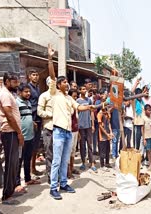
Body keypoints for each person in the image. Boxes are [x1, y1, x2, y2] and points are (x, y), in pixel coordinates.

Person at [48, 44, 95, 200]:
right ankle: (53, 187)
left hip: (68, 132)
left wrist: (90, 106)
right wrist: (49, 58)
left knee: (65, 159)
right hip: (59, 131)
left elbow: (79, 107)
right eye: (64, 82)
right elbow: (52, 76)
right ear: (59, 85)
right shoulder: (55, 94)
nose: (67, 84)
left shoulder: (69, 98)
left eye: (67, 82)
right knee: (56, 160)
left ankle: (63, 183)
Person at [0, 72, 25, 204]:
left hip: (13, 132)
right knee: (10, 164)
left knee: (14, 163)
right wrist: (19, 133)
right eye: (14, 82)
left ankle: (11, 190)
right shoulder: (5, 94)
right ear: (7, 81)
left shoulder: (9, 94)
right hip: (10, 133)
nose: (17, 84)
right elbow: (9, 116)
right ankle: (6, 196)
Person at [16, 83, 41, 187]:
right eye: (26, 92)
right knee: (19, 160)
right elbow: (16, 119)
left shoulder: (28, 103)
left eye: (29, 91)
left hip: (30, 135)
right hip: (22, 137)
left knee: (27, 158)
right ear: (20, 92)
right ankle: (17, 183)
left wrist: (32, 122)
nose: (28, 93)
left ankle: (28, 179)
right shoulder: (17, 103)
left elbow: (27, 116)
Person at [76, 86, 97, 173]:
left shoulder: (89, 100)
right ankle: (83, 162)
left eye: (85, 89)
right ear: (79, 90)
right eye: (83, 89)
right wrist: (77, 127)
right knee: (82, 145)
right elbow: (76, 114)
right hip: (81, 126)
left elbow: (91, 112)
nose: (84, 90)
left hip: (88, 126)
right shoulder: (77, 101)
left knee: (90, 145)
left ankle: (92, 163)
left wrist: (92, 125)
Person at [37, 77, 53, 184]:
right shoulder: (44, 96)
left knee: (58, 153)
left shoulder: (60, 96)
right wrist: (51, 114)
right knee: (49, 153)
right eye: (52, 83)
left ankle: (58, 175)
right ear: (48, 84)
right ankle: (50, 176)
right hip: (49, 127)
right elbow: (40, 112)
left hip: (60, 128)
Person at [27, 69, 43, 177]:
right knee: (30, 146)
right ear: (29, 76)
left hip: (38, 118)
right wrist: (30, 119)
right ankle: (29, 170)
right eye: (33, 75)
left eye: (37, 75)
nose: (36, 76)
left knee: (35, 146)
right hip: (31, 118)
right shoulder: (28, 88)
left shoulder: (37, 88)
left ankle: (33, 168)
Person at [67, 89, 80, 179]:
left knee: (73, 151)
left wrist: (78, 131)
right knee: (68, 152)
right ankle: (68, 172)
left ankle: (71, 168)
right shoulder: (68, 106)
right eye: (73, 96)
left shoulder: (75, 107)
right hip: (70, 131)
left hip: (75, 130)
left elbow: (77, 119)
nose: (75, 98)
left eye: (76, 96)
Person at [97, 106, 113, 172]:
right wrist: (107, 134)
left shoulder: (106, 113)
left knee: (107, 150)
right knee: (102, 151)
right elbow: (100, 126)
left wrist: (111, 132)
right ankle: (102, 165)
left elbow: (109, 123)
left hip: (107, 135)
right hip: (102, 136)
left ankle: (107, 163)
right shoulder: (100, 114)